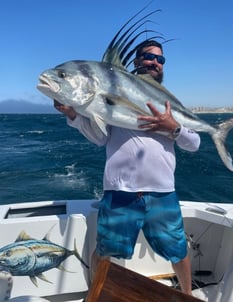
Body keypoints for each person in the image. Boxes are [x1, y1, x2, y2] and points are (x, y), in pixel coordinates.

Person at [54, 40, 200, 296]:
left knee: (178, 251)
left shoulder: (168, 104)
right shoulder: (116, 94)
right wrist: (74, 116)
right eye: (148, 57)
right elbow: (100, 137)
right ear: (136, 61)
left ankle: (187, 295)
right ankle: (95, 295)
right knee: (105, 250)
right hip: (120, 192)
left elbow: (194, 143)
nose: (154, 62)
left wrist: (173, 128)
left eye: (160, 59)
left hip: (162, 193)